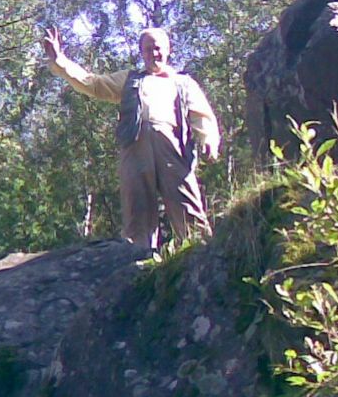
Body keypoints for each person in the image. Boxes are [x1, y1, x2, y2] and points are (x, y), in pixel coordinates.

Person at [43, 26, 220, 249]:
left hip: (173, 149)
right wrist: (60, 61)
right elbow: (94, 84)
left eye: (157, 48)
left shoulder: (183, 83)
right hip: (135, 148)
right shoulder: (129, 80)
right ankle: (138, 261)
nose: (153, 54)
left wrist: (209, 142)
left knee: (187, 205)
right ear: (141, 52)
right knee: (137, 211)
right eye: (148, 50)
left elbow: (203, 116)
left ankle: (201, 253)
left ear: (168, 49)